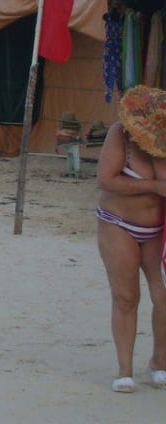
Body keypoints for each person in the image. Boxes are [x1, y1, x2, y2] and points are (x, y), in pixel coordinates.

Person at [95, 85, 166, 393]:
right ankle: (124, 370)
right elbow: (107, 180)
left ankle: (159, 362)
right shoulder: (119, 135)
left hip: (158, 229)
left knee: (164, 296)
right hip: (118, 223)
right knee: (126, 297)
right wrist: (154, 186)